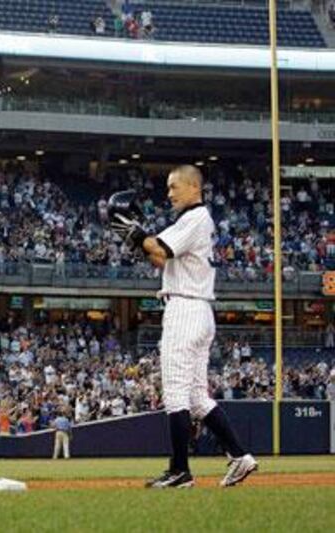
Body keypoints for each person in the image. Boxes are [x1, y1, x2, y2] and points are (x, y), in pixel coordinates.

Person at [109, 165, 258, 488]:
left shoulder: (195, 218)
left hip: (185, 309)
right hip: (197, 309)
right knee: (195, 397)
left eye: (174, 186)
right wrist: (137, 237)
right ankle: (240, 455)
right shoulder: (194, 220)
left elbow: (158, 248)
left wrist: (133, 232)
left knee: (176, 393)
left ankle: (179, 471)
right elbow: (162, 259)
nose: (170, 193)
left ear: (194, 187)